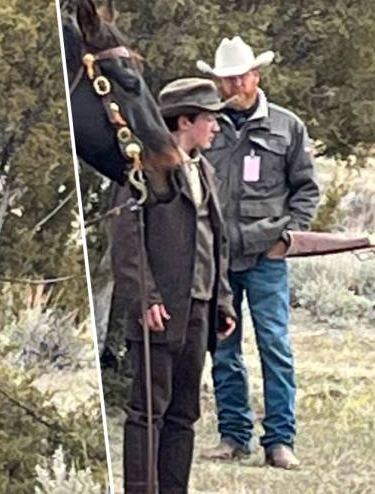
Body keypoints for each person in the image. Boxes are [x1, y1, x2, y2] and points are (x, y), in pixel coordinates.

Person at [196, 36, 319, 469]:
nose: (230, 85)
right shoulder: (204, 125)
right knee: (223, 350)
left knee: (275, 347)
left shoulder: (287, 127)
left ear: (255, 77)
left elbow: (307, 189)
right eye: (223, 79)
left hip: (266, 258)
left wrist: (288, 237)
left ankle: (280, 441)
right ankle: (233, 436)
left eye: (237, 77)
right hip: (219, 260)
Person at [111, 78, 237, 493]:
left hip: (199, 310)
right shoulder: (140, 168)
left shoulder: (208, 171)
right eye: (210, 119)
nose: (216, 126)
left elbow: (216, 243)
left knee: (184, 414)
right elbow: (126, 241)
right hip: (160, 310)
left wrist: (223, 302)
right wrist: (145, 297)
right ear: (185, 120)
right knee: (148, 412)